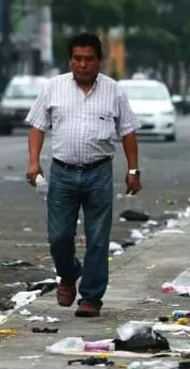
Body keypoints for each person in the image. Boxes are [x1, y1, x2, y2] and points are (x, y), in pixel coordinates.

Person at [24, 32, 141, 318]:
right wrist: (33, 162)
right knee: (59, 237)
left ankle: (91, 297)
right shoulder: (53, 87)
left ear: (99, 61)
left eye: (89, 59)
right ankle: (68, 273)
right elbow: (38, 126)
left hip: (98, 173)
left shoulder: (114, 91)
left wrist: (133, 170)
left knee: (98, 239)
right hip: (62, 173)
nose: (83, 64)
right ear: (70, 60)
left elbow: (128, 131)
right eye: (77, 59)